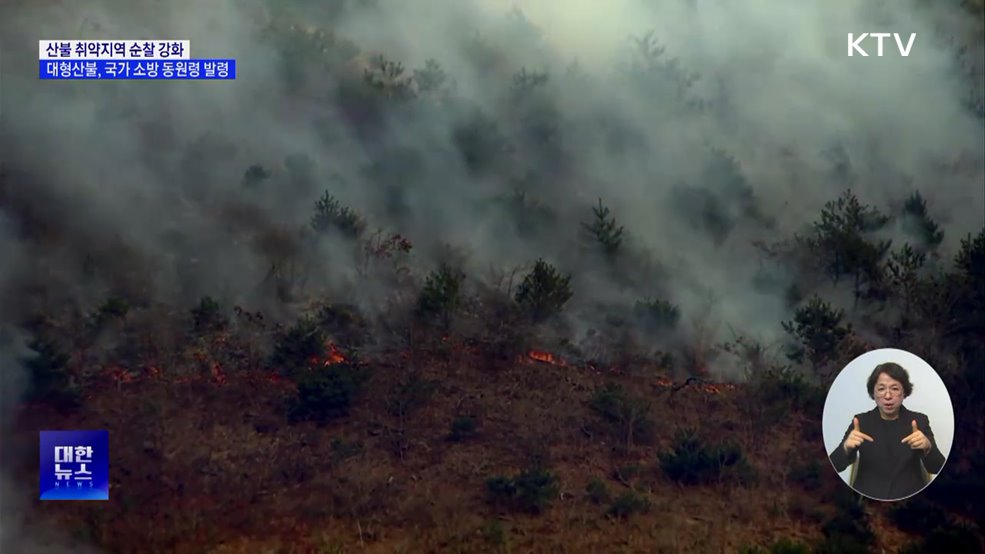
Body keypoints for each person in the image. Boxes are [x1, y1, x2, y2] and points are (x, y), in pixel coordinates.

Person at [829, 362, 946, 501]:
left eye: (895, 388)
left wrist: (928, 447)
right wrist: (845, 448)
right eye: (881, 389)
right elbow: (833, 466)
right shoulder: (861, 422)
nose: (888, 395)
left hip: (910, 499)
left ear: (904, 392)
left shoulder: (919, 421)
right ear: (873, 392)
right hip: (867, 499)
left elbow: (937, 468)